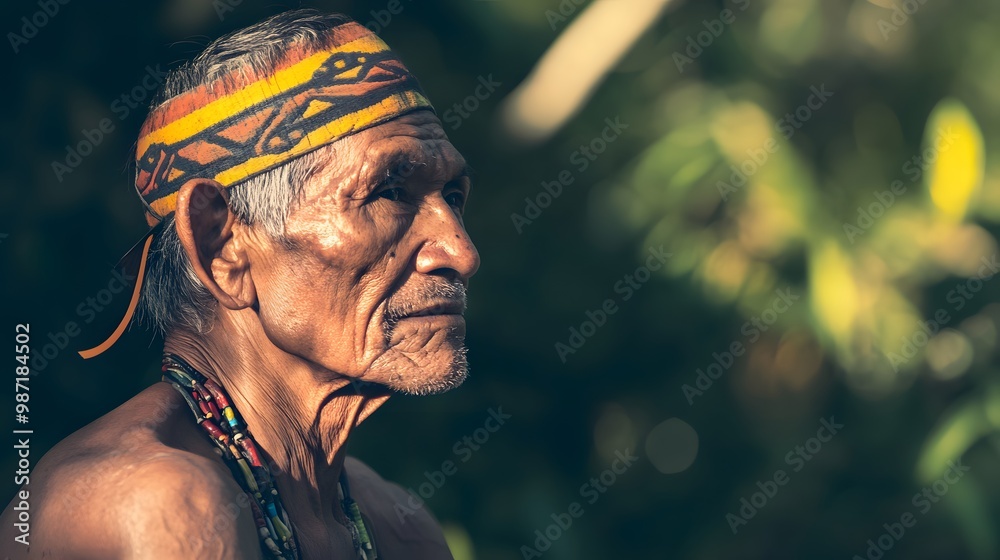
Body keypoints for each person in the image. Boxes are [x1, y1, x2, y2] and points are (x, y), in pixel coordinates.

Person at [1, 9, 479, 559]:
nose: (462, 253)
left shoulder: (398, 528)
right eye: (389, 192)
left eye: (454, 197)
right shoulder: (162, 505)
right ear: (222, 245)